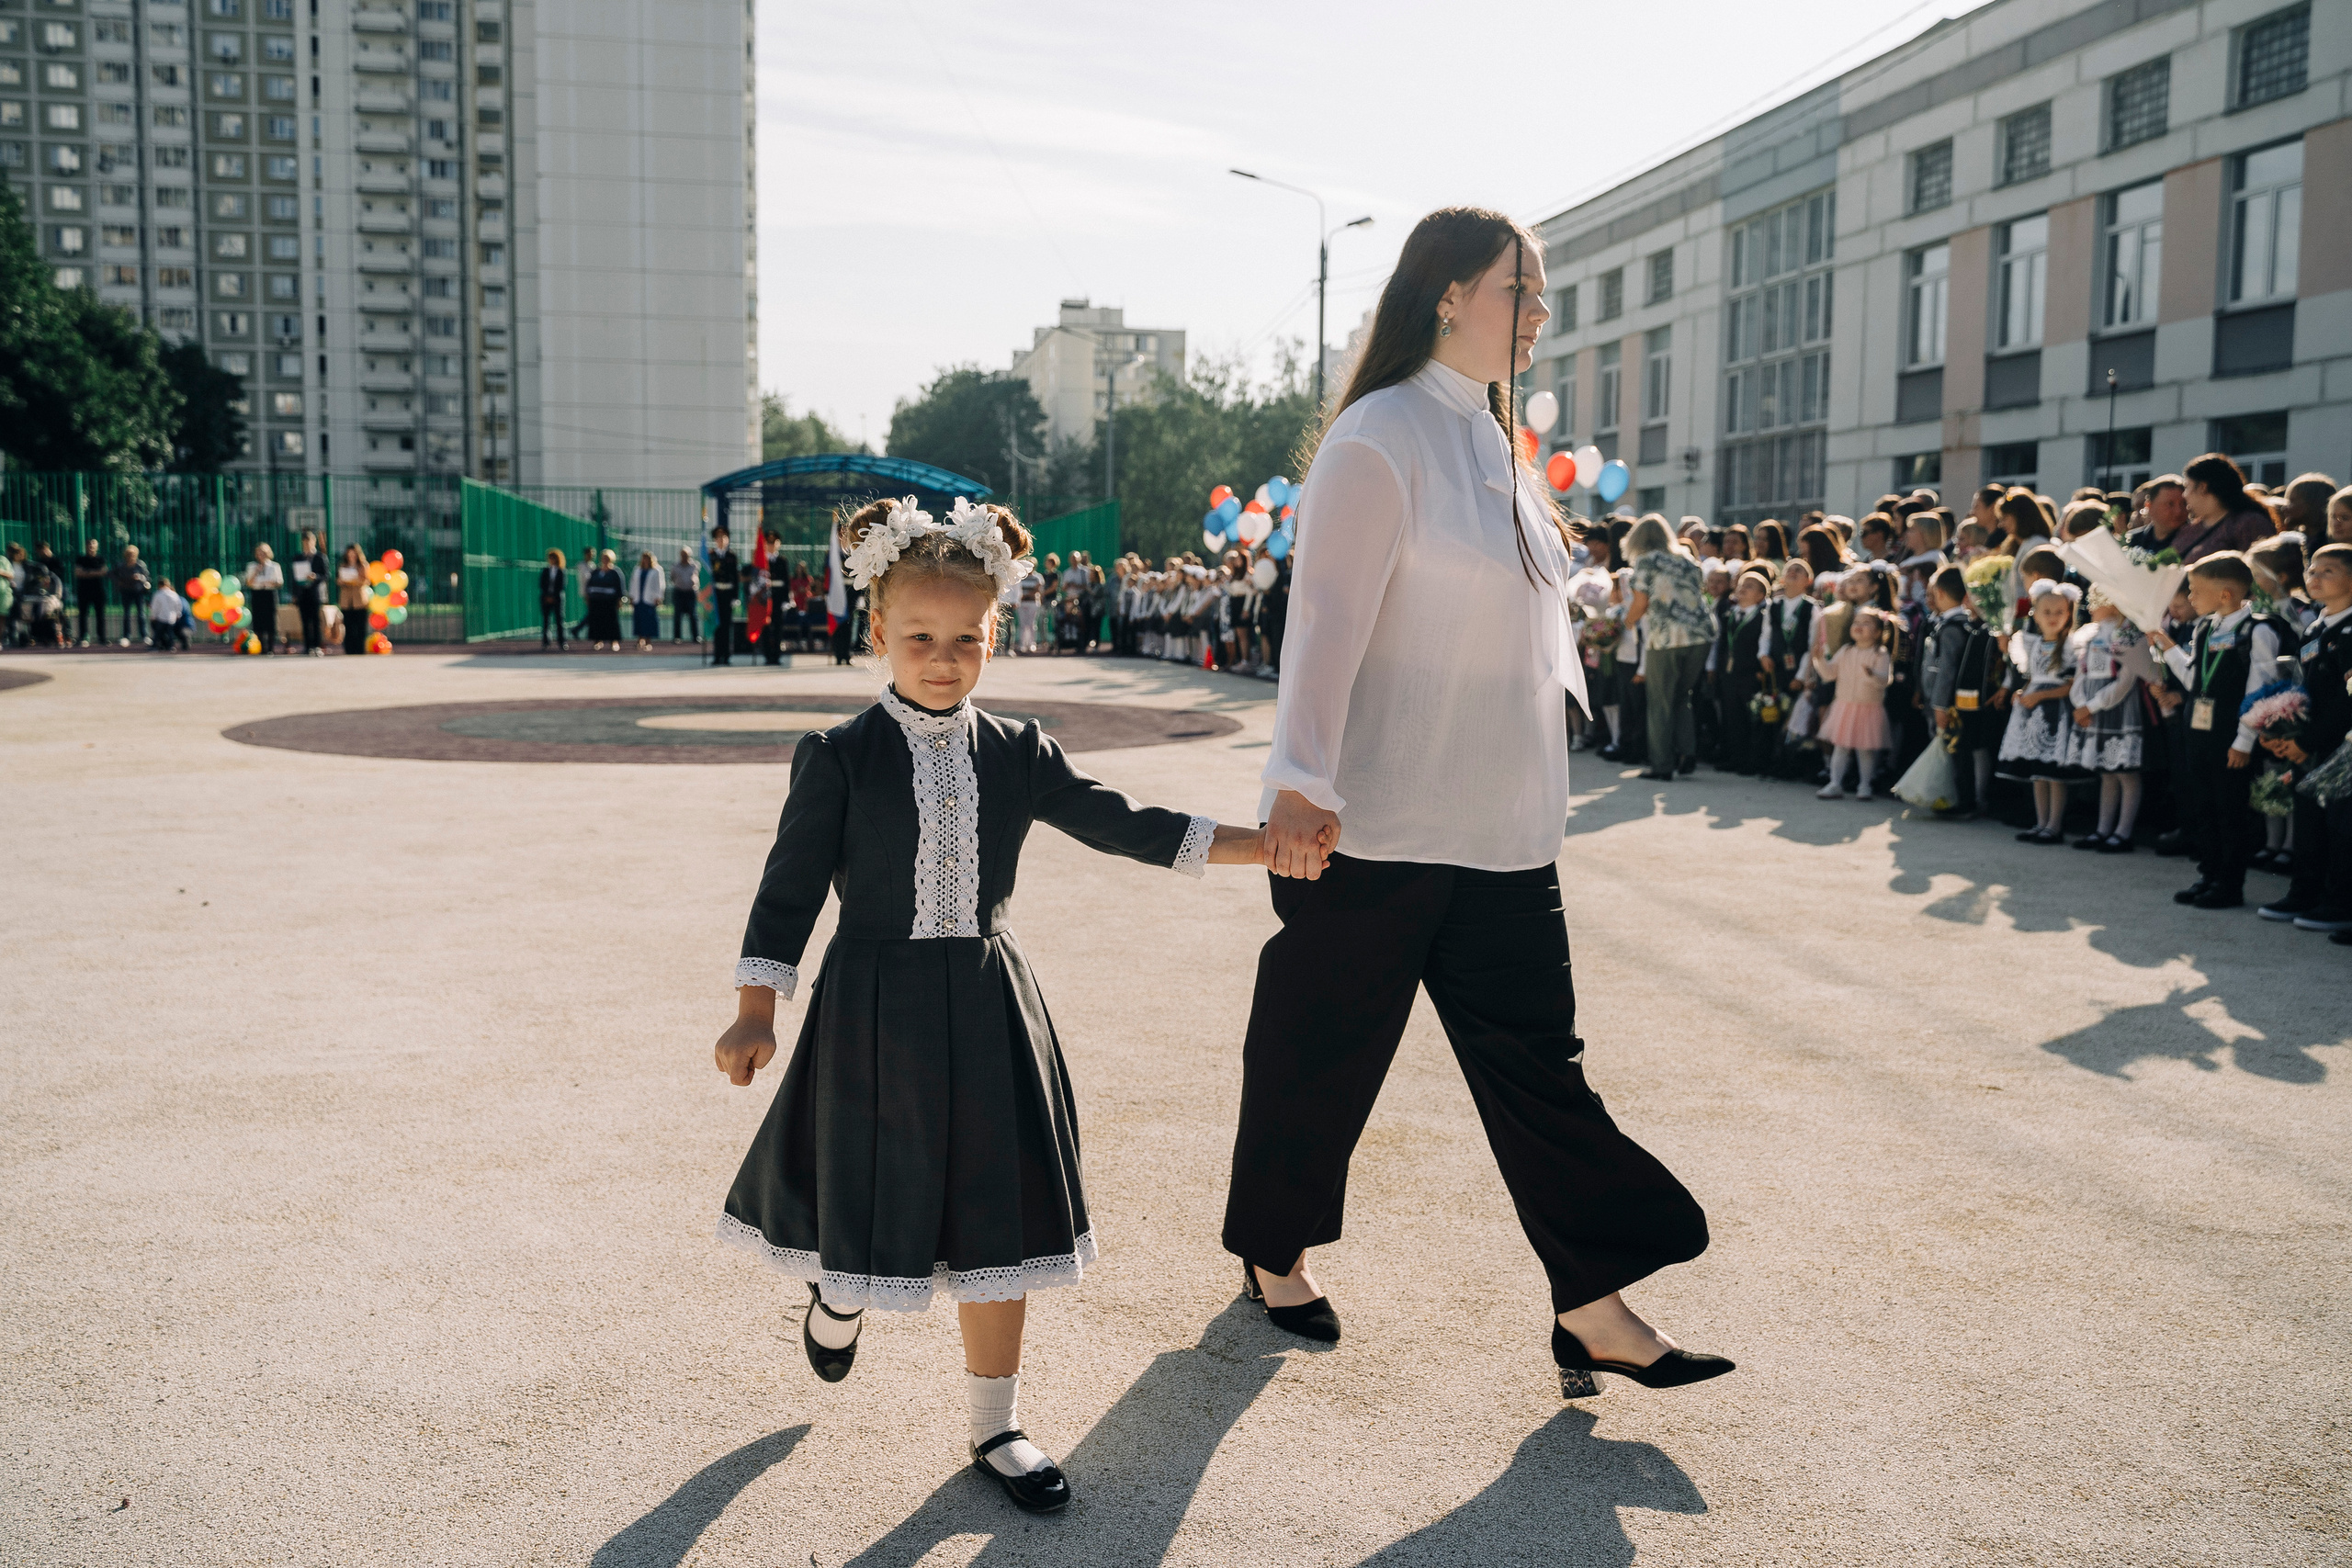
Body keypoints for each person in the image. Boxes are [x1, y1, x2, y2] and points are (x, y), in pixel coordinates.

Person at [1235, 206, 1727, 1399]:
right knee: (1321, 1054)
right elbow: (1324, 626)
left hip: (1505, 827)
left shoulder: (1500, 446)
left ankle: (1591, 1306)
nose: (1541, 313)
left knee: (1541, 1070)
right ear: (1449, 293)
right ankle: (1273, 1251)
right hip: (1376, 821)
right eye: (1523, 288)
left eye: (1544, 292)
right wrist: (1298, 782)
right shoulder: (1378, 437)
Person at [711, 494, 1263, 1515]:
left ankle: (995, 1425)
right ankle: (839, 1290)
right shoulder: (839, 754)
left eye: (966, 638)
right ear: (877, 631)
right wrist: (757, 1008)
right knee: (868, 1185)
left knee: (995, 1210)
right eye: (919, 637)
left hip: (987, 1003)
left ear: (994, 636)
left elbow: (1123, 822)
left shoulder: (1017, 749)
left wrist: (1258, 844)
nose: (943, 658)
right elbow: (786, 893)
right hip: (872, 1008)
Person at [2148, 553, 2296, 908]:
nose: (2190, 597)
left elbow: (2259, 689)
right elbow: (2193, 678)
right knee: (2204, 806)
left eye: (2195, 591)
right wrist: (2167, 646)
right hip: (2199, 732)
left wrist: (2244, 742)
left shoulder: (2257, 630)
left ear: (2225, 594)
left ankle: (2230, 884)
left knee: (2230, 810)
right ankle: (2209, 874)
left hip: (2232, 736)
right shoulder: (2205, 627)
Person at [2259, 543, 2352, 932]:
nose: (2315, 576)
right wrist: (2282, 732)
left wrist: (2307, 741)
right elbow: (2303, 688)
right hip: (2307, 745)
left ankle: (2339, 902)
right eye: (2312, 569)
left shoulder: (2349, 631)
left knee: (2340, 827)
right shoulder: (2315, 626)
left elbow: (2345, 703)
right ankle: (2304, 892)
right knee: (2309, 822)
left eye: (2328, 571)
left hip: (2339, 747)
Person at [2062, 589, 2159, 851]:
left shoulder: (2129, 634)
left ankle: (2123, 833)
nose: (2091, 607)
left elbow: (2126, 681)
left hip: (2118, 709)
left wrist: (2092, 706)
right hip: (2093, 710)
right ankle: (2102, 829)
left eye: (2097, 602)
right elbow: (2081, 673)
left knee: (2125, 773)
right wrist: (2080, 703)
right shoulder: (2092, 635)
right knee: (2106, 772)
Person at [1622, 514, 1713, 782]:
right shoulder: (1687, 559)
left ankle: (1662, 765)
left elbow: (1640, 603)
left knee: (1660, 702)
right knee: (1682, 694)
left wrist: (1626, 623)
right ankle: (1687, 752)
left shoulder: (1646, 561)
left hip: (1666, 638)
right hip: (1702, 634)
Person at [1812, 605, 1895, 799]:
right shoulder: (1846, 650)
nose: (1859, 626)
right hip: (1845, 706)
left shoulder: (1880, 653)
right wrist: (1820, 660)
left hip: (1868, 708)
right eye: (1856, 622)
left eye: (1866, 623)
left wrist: (1873, 674)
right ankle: (1835, 783)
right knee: (1841, 746)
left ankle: (1865, 785)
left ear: (1877, 632)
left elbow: (1885, 680)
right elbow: (1829, 674)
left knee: (1865, 749)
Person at [2171, 454, 2275, 564]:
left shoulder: (2249, 524)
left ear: (2202, 487)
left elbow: (2263, 567)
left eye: (2187, 487)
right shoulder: (2189, 529)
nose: (2184, 495)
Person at [243, 543, 285, 655]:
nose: (261, 555)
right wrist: (256, 572)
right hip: (257, 594)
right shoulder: (252, 566)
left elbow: (280, 582)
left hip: (269, 593)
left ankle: (270, 647)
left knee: (270, 620)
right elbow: (249, 582)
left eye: (264, 553)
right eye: (259, 553)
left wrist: (270, 582)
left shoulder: (274, 566)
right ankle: (262, 646)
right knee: (258, 620)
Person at [709, 527, 741, 665]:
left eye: (724, 538)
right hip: (716, 595)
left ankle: (726, 656)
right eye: (718, 538)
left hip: (727, 594)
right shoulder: (711, 556)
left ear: (727, 540)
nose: (721, 540)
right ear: (715, 540)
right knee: (717, 626)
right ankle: (717, 656)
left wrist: (735, 597)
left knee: (727, 626)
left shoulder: (732, 556)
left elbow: (735, 578)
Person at [583, 548, 626, 651]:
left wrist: (620, 600)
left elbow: (620, 587)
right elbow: (589, 585)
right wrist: (588, 597)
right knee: (597, 621)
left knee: (611, 622)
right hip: (597, 601)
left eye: (607, 558)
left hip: (610, 601)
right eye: (603, 558)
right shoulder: (596, 571)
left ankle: (613, 642)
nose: (605, 560)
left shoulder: (615, 572)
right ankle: (598, 641)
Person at [114, 546, 153, 647]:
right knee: (127, 614)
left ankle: (144, 635)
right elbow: (114, 575)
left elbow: (147, 578)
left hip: (138, 591)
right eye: (128, 555)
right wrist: (121, 581)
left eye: (132, 555)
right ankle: (126, 636)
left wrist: (140, 577)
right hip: (126, 591)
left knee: (141, 614)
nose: (130, 557)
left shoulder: (140, 565)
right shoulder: (121, 565)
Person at [74, 540, 110, 646]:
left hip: (98, 590)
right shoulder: (80, 559)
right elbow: (78, 573)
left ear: (97, 546)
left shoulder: (101, 559)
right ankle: (82, 637)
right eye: (89, 544)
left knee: (100, 615)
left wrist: (87, 572)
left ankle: (102, 638)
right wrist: (95, 572)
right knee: (83, 615)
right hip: (84, 590)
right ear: (86, 546)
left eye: (93, 544)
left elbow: (104, 572)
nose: (91, 546)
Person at [338, 544, 373, 655]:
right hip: (347, 599)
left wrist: (357, 580)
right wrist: (341, 581)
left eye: (353, 554)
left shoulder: (363, 565)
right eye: (349, 554)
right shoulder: (343, 565)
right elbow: (339, 579)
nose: (351, 556)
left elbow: (367, 580)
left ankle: (360, 649)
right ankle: (349, 649)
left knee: (360, 626)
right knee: (348, 625)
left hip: (359, 599)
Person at [629, 550, 665, 652]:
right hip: (638, 598)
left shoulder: (657, 570)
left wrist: (658, 597)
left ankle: (648, 641)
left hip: (649, 599)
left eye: (647, 558)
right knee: (638, 619)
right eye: (644, 558)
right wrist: (631, 597)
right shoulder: (637, 569)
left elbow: (660, 584)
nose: (645, 560)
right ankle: (640, 639)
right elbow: (633, 583)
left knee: (649, 620)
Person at [538, 548, 570, 650]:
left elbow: (562, 586)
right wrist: (547, 596)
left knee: (559, 621)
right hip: (545, 598)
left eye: (553, 558)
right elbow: (542, 584)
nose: (551, 560)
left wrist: (553, 597)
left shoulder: (561, 571)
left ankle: (562, 641)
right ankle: (546, 642)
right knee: (546, 620)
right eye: (550, 558)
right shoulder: (545, 570)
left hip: (557, 599)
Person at [147, 576, 188, 651]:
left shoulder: (158, 594)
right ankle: (170, 646)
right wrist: (178, 614)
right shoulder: (174, 594)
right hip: (171, 617)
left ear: (160, 585)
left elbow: (155, 607)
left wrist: (153, 616)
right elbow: (178, 605)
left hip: (161, 617)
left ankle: (155, 646)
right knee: (170, 633)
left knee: (158, 633)